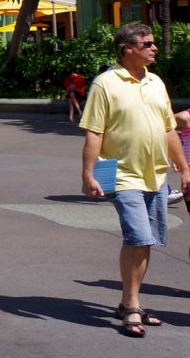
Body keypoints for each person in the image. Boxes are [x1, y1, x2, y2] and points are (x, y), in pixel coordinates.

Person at [80, 22, 190, 338]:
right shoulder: (105, 83)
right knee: (138, 236)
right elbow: (94, 131)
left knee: (147, 240)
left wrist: (184, 168)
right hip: (114, 170)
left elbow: (169, 129)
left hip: (153, 172)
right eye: (148, 43)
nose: (154, 48)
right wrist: (89, 174)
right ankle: (131, 305)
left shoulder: (156, 82)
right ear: (128, 48)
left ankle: (129, 301)